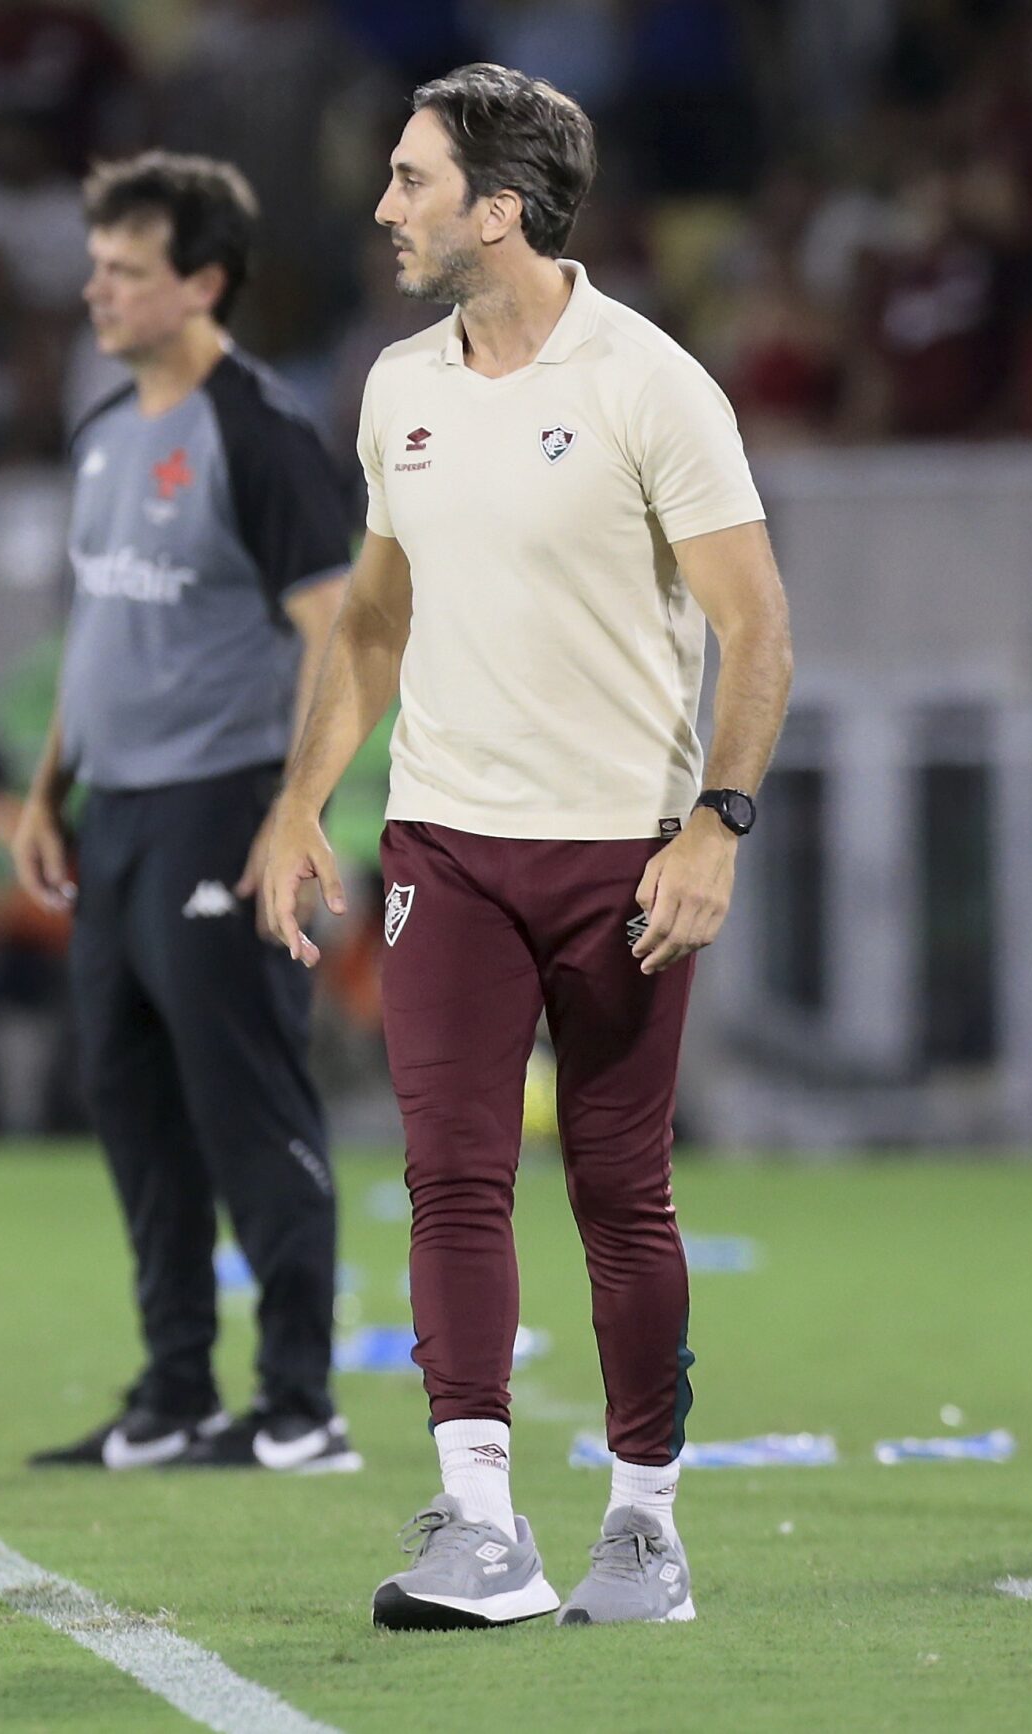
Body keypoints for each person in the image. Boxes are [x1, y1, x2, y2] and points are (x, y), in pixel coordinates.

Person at [250, 65, 794, 1630]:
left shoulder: (652, 383)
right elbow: (373, 613)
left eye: (413, 180)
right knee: (450, 1182)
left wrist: (719, 821)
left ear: (499, 209)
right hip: (445, 847)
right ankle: (480, 1525)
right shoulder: (399, 384)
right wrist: (301, 799)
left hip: (623, 853)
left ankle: (644, 1525)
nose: (384, 206)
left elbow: (758, 628)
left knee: (622, 1195)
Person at [10, 153, 356, 1476]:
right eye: (95, 263)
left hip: (223, 809)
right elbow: (94, 630)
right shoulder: (104, 432)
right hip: (118, 818)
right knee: (134, 1100)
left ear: (203, 282)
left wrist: (295, 808)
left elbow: (337, 629)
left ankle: (299, 1400)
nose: (97, 288)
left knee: (244, 1097)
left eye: (126, 269)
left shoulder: (257, 430)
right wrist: (50, 786)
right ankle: (169, 1391)